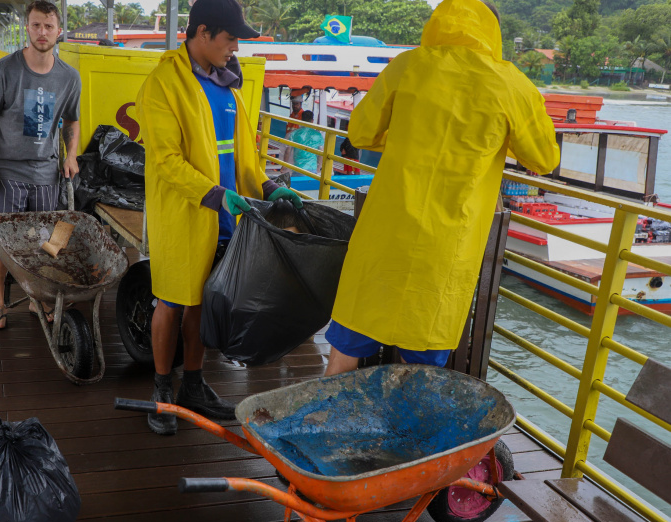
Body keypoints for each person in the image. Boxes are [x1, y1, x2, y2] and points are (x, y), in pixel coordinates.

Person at [323, 0, 560, 376]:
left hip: (386, 231)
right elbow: (544, 158)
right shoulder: (511, 83)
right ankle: (404, 432)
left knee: (347, 344)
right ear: (492, 33)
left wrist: (406, 138)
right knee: (422, 361)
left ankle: (321, 426)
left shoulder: (408, 65)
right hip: (448, 244)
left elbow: (361, 132)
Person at [136, 0, 303, 435]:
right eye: (231, 38)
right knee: (172, 301)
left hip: (225, 215)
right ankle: (161, 390)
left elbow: (242, 156)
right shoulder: (163, 84)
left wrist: (266, 187)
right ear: (203, 32)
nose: (235, 48)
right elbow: (167, 162)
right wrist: (215, 195)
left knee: (202, 303)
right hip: (186, 214)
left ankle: (194, 383)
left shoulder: (227, 85)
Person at [0, 0, 81, 330]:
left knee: (46, 239)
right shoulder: (4, 70)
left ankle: (38, 296)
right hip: (6, 169)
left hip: (46, 169)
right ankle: (0, 301)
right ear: (27, 28)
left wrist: (71, 154)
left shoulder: (69, 77)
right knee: (4, 239)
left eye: (49, 26)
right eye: (36, 25)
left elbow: (72, 121)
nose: (42, 32)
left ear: (59, 31)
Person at [285, 110, 322, 175]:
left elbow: (288, 150)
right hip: (312, 168)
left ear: (301, 120)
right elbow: (321, 153)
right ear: (312, 121)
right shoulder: (318, 135)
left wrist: (284, 166)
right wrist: (318, 168)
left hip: (298, 168)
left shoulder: (294, 133)